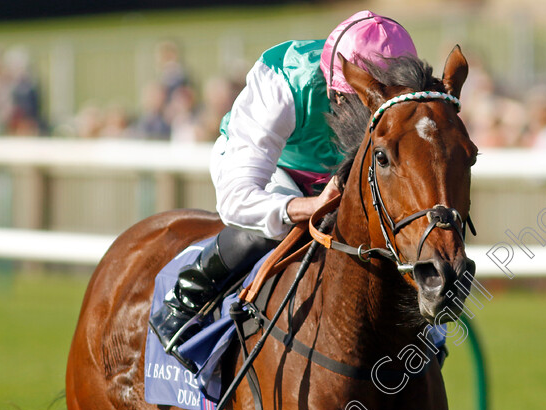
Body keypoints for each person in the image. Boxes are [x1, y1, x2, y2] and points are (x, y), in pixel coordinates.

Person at [149, 11, 417, 356]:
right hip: (275, 168)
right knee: (279, 231)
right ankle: (188, 295)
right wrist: (310, 206)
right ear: (337, 90)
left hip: (341, 176)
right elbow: (237, 198)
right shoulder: (285, 79)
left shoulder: (412, 96)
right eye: (361, 101)